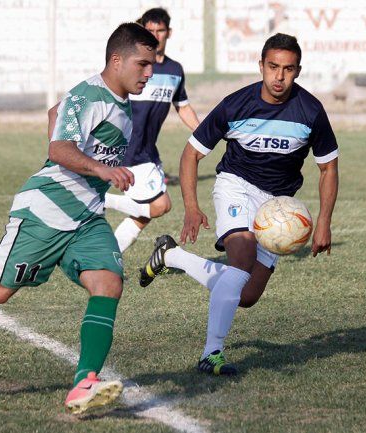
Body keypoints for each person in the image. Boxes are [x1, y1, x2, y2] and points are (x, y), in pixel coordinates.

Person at [0, 23, 158, 415]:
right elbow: (58, 148)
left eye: (152, 64)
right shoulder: (88, 95)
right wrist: (100, 169)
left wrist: (95, 169)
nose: (149, 72)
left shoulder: (120, 102)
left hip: (87, 217)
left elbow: (55, 113)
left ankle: (84, 382)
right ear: (116, 60)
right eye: (142, 64)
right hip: (45, 210)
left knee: (108, 283)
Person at [139, 33, 339, 375]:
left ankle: (171, 256)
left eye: (288, 69)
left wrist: (324, 222)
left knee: (245, 295)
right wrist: (191, 207)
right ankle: (211, 353)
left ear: (298, 70)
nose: (279, 76)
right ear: (261, 66)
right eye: (273, 67)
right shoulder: (236, 105)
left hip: (278, 204)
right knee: (242, 260)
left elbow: (328, 168)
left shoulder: (310, 111)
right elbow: (191, 154)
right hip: (237, 186)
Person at [48, 7, 200, 252]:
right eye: (150, 30)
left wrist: (204, 135)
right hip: (125, 151)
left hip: (148, 151)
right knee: (160, 205)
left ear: (168, 33)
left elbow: (182, 106)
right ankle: (102, 199)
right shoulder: (130, 69)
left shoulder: (174, 70)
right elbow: (66, 108)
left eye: (160, 30)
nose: (156, 35)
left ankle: (111, 255)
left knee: (144, 215)